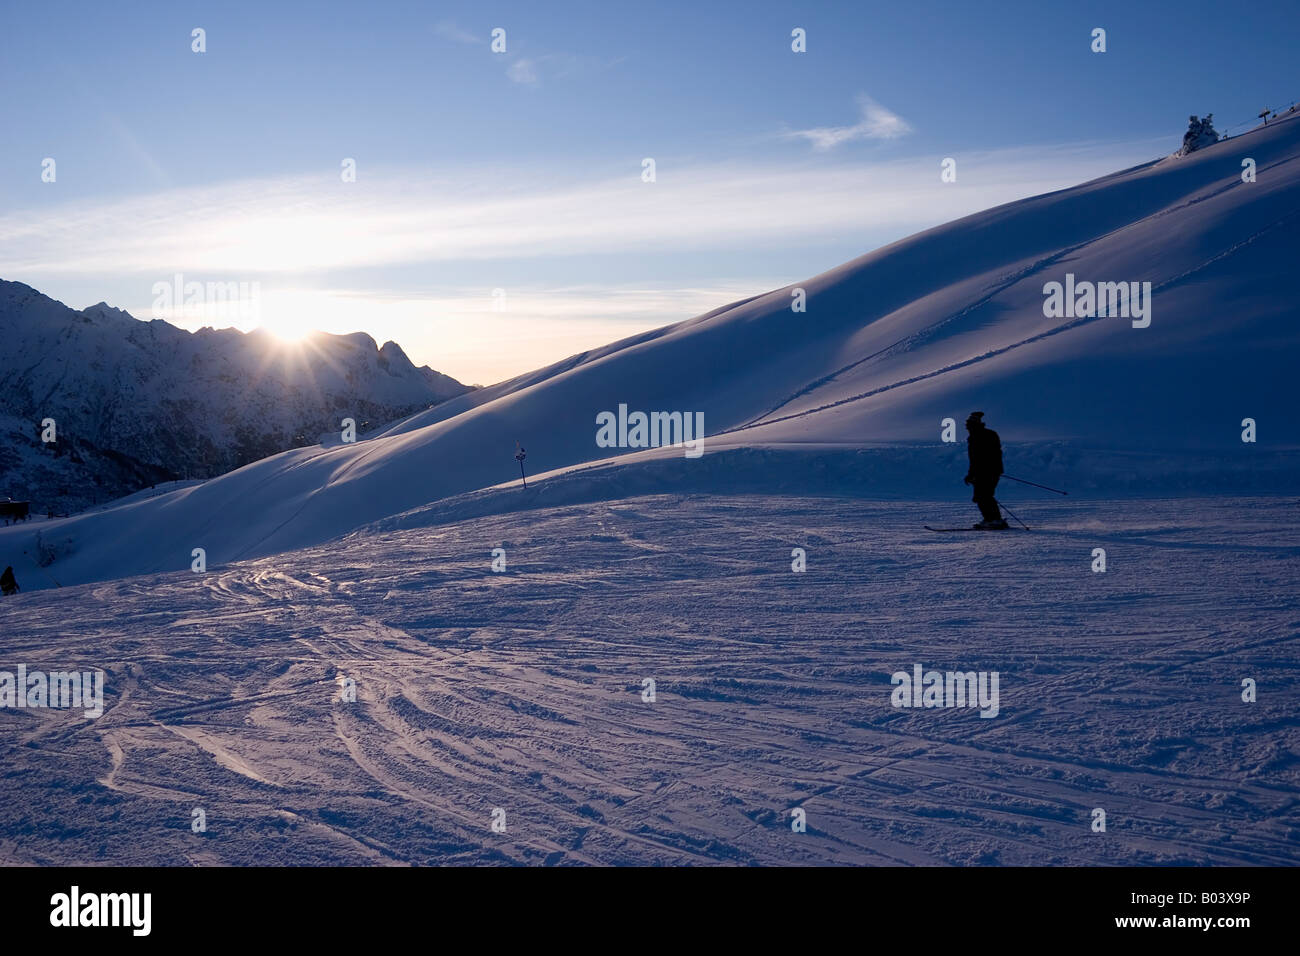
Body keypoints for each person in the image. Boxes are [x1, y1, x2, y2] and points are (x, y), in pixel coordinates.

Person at [963, 412, 1007, 529]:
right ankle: (991, 519)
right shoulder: (976, 436)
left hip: (988, 472)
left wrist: (989, 469)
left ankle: (994, 520)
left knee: (984, 495)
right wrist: (971, 474)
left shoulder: (985, 435)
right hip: (983, 472)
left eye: (968, 424)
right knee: (982, 496)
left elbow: (992, 454)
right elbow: (974, 459)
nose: (966, 426)